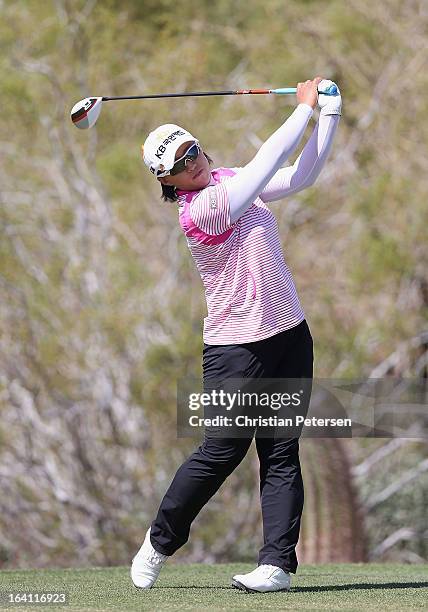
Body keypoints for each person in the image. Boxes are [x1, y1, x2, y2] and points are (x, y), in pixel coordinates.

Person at [131, 77, 341, 593]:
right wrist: (302, 109)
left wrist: (328, 115)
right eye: (179, 164)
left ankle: (276, 565)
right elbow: (270, 160)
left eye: (192, 151)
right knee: (222, 449)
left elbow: (299, 175)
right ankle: (159, 542)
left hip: (289, 333)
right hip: (236, 348)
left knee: (281, 449)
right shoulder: (200, 210)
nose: (192, 164)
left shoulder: (225, 178)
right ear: (169, 181)